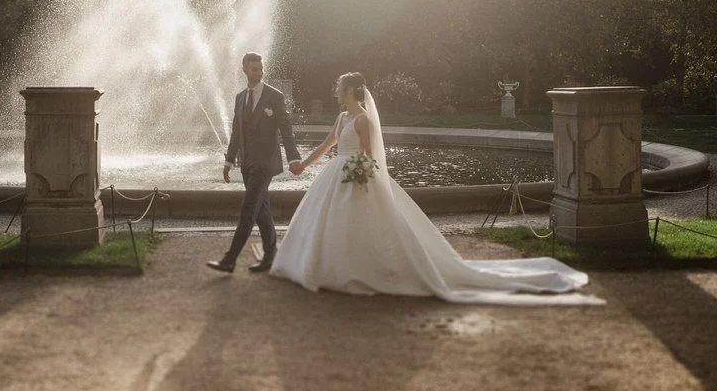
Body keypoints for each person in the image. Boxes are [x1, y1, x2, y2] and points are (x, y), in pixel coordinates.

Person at [269, 72, 604, 306]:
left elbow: (371, 158)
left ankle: (361, 271)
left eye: (340, 87)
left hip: (356, 178)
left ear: (352, 91)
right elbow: (328, 145)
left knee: (363, 226)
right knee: (329, 224)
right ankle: (330, 268)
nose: (336, 91)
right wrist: (303, 164)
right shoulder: (342, 119)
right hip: (334, 175)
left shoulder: (362, 121)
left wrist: (361, 174)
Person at [207, 52, 303, 273]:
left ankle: (229, 259)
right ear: (244, 70)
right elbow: (236, 132)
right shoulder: (240, 97)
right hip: (247, 163)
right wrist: (229, 161)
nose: (258, 73)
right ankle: (270, 256)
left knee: (248, 210)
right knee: (262, 211)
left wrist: (294, 158)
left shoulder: (275, 97)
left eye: (260, 69)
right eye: (254, 69)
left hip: (265, 164)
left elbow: (286, 130)